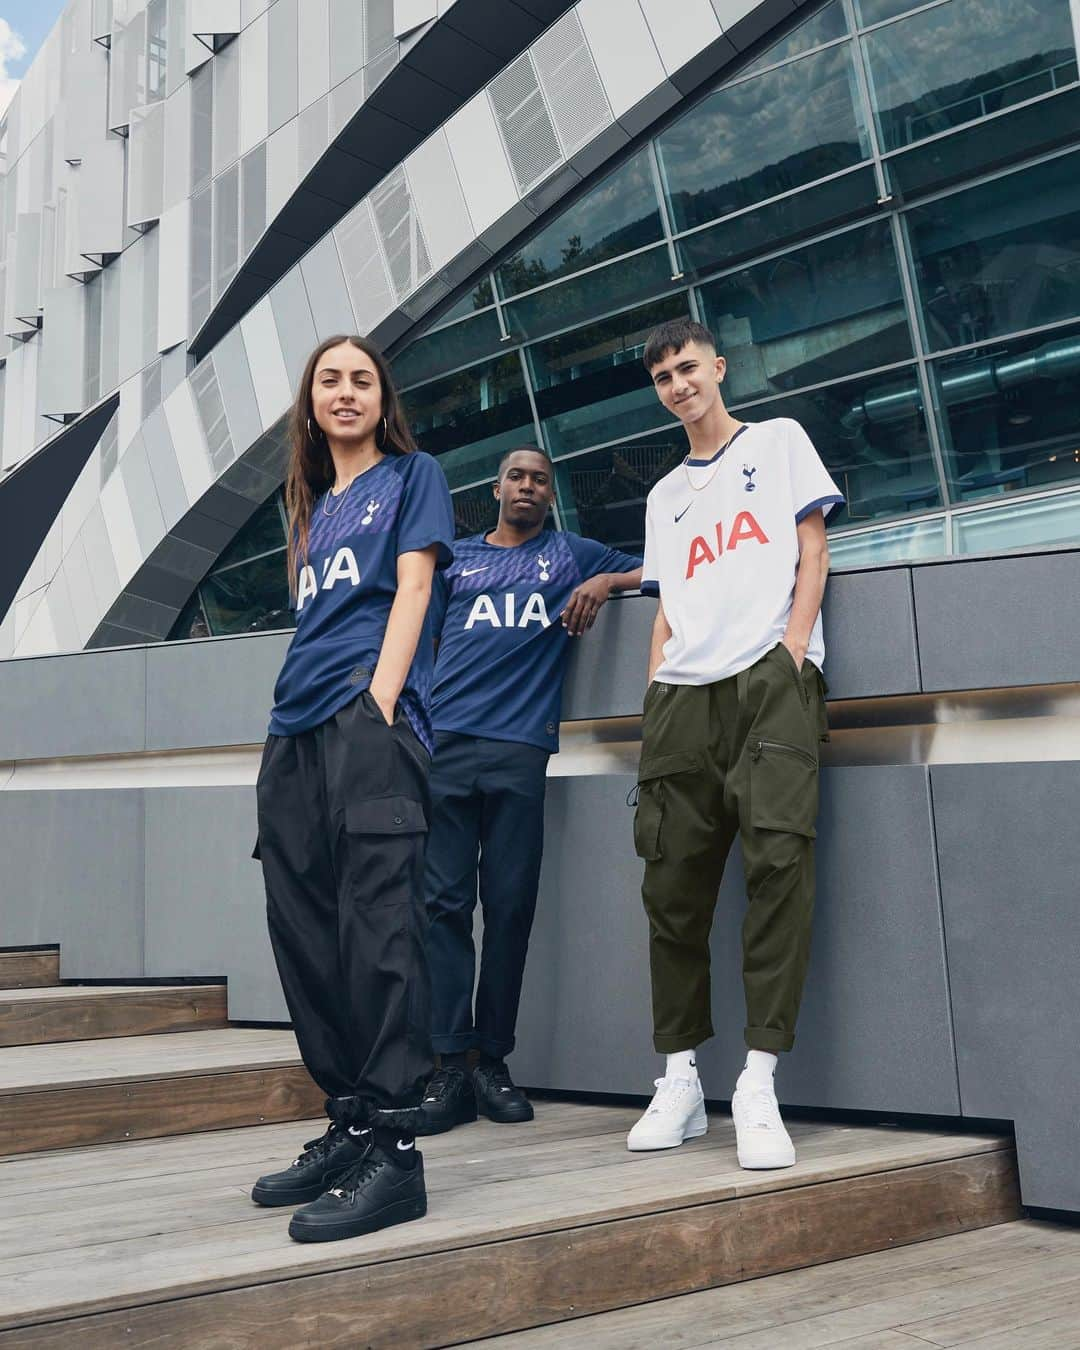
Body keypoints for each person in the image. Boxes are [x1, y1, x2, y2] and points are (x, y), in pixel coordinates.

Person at [250, 335, 454, 1242]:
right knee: (305, 932)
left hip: (365, 723)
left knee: (379, 930)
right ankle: (351, 1120)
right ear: (309, 403)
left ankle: (398, 1153)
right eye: (329, 379)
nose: (345, 391)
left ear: (382, 399)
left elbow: (412, 592)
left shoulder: (414, 478)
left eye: (361, 379)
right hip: (293, 732)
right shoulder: (310, 511)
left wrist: (376, 702)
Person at [627, 318, 843, 1168]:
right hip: (681, 697)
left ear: (718, 367)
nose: (679, 384)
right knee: (671, 892)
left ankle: (758, 1080)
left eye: (689, 368)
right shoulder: (663, 495)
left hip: (769, 679)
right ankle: (678, 1078)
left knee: (779, 870)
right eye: (664, 378)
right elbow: (667, 603)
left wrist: (791, 654)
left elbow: (811, 549)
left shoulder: (780, 440)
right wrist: (654, 690)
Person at [416, 446, 642, 1134]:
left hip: (519, 749)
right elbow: (414, 639)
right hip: (444, 747)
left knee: (509, 907)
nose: (528, 486)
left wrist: (606, 584)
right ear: (497, 487)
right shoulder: (455, 559)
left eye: (540, 479)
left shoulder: (571, 554)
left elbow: (658, 572)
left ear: (550, 495)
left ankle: (492, 1062)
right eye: (517, 476)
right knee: (443, 907)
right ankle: (449, 1064)